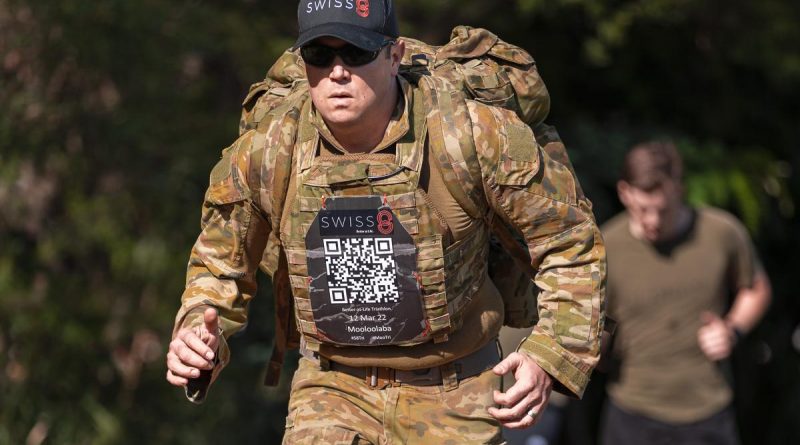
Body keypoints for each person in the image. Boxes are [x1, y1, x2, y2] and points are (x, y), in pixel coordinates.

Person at [166, 1, 606, 443]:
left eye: (356, 53)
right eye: (320, 56)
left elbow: (570, 243)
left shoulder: (471, 136)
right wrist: (200, 333)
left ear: (393, 56)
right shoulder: (268, 151)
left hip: (457, 391)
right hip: (331, 387)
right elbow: (220, 264)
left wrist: (551, 352)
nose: (337, 72)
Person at [600, 141, 772, 445]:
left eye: (662, 210)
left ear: (679, 189)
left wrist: (732, 330)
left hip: (707, 410)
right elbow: (595, 322)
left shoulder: (721, 232)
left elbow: (756, 288)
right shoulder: (605, 246)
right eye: (642, 210)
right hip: (632, 411)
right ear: (624, 192)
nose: (652, 221)